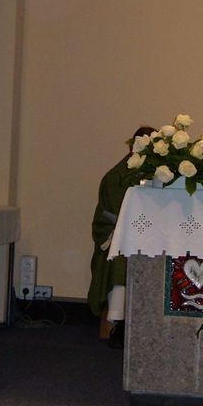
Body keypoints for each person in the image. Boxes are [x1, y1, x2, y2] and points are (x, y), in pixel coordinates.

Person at [87, 126, 154, 347]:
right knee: (123, 257)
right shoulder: (116, 175)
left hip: (149, 235)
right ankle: (118, 323)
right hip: (118, 235)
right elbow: (113, 214)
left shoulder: (158, 172)